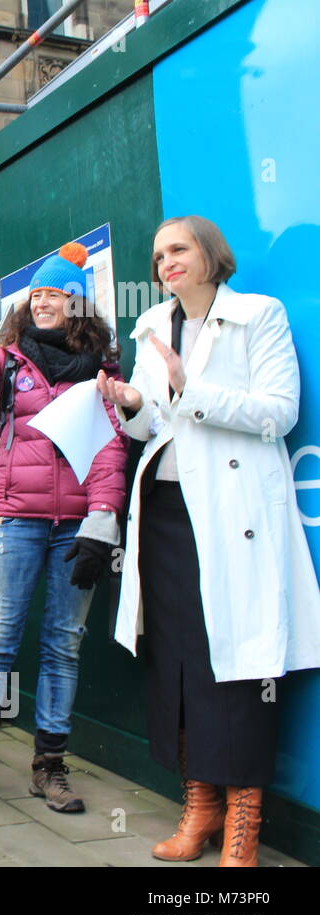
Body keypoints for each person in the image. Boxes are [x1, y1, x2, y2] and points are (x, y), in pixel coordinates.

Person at [99, 216, 320, 866]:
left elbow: (278, 412)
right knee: (176, 663)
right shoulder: (152, 326)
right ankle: (200, 809)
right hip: (165, 511)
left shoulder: (259, 315)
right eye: (157, 251)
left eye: (178, 248)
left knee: (242, 667)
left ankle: (243, 826)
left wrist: (191, 390)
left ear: (209, 254)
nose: (165, 259)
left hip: (232, 515)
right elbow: (150, 428)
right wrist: (134, 401)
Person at [0, 242, 128, 813]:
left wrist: (101, 523)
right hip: (15, 520)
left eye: (54, 294)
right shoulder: (7, 360)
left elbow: (111, 451)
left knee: (63, 645)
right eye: (35, 294)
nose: (41, 303)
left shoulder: (104, 371)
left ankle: (49, 768)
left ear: (78, 304)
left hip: (77, 528)